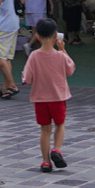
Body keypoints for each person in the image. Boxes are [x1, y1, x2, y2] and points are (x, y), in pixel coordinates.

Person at [22, 17, 75, 173]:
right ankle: (57, 150)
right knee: (60, 124)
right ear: (56, 36)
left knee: (45, 129)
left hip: (40, 98)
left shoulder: (34, 56)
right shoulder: (60, 56)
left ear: (37, 36)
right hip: (58, 97)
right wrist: (63, 50)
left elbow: (28, 79)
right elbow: (70, 70)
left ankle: (45, 162)